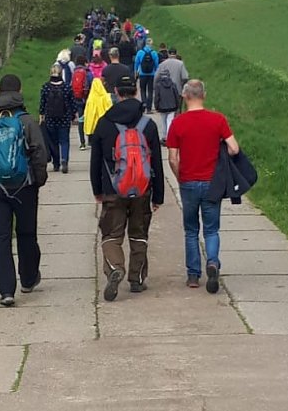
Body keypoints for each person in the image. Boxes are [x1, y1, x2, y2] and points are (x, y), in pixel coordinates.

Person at [0, 74, 49, 307]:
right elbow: (39, 152)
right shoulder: (26, 121)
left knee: (1, 237)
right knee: (27, 233)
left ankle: (6, 291)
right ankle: (28, 279)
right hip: (25, 187)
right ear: (19, 91)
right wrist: (38, 179)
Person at [90, 75, 164, 300]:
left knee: (111, 234)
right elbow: (156, 163)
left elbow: (95, 161)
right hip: (142, 189)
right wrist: (158, 196)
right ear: (136, 92)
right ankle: (136, 279)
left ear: (116, 92)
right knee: (139, 234)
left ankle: (115, 268)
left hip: (112, 189)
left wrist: (97, 190)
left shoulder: (104, 123)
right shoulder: (148, 125)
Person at [166, 79, 239, 294]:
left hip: (188, 181)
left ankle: (193, 274)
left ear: (185, 96)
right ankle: (213, 262)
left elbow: (172, 158)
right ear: (204, 96)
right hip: (212, 182)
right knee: (211, 229)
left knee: (191, 230)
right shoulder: (218, 119)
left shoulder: (178, 123)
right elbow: (234, 148)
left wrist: (180, 177)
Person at [39, 63, 76, 173]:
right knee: (64, 140)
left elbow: (42, 103)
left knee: (53, 141)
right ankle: (64, 159)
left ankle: (56, 164)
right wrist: (73, 115)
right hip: (64, 118)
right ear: (61, 74)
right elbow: (72, 103)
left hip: (50, 119)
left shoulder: (46, 87)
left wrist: (41, 115)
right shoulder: (67, 87)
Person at [153, 47, 190, 141]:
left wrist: (156, 88)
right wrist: (181, 85)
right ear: (176, 53)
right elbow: (185, 77)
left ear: (168, 54)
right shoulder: (180, 64)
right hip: (177, 91)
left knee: (164, 115)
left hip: (163, 92)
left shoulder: (162, 64)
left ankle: (165, 135)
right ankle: (177, 133)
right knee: (176, 113)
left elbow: (156, 77)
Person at [83, 75, 112, 145]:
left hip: (93, 125)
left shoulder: (90, 98)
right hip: (103, 123)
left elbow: (87, 112)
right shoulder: (106, 96)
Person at [134, 38, 159, 112]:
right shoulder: (154, 53)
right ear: (151, 44)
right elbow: (156, 64)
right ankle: (149, 108)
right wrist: (156, 71)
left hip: (142, 74)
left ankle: (144, 103)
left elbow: (136, 62)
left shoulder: (140, 52)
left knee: (143, 89)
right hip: (151, 74)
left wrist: (135, 71)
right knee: (150, 90)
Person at [71, 55, 90, 150]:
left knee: (81, 120)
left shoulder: (74, 72)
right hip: (87, 99)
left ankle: (82, 143)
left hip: (78, 99)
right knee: (90, 119)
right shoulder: (87, 72)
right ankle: (90, 140)